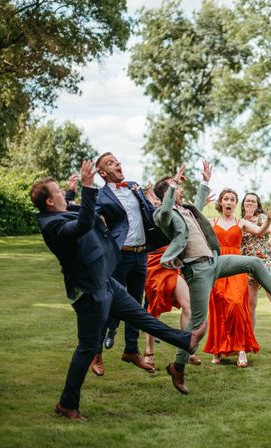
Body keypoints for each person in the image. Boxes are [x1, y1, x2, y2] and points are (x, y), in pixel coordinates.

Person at [31, 161, 206, 420]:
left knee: (140, 315)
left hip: (105, 282)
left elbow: (70, 207)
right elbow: (81, 224)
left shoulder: (60, 210)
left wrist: (70, 191)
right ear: (48, 202)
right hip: (89, 292)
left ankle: (185, 340)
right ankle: (67, 404)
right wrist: (89, 188)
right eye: (57, 191)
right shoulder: (52, 226)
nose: (63, 194)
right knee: (88, 347)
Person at [153, 160, 271, 394]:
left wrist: (205, 179)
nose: (181, 189)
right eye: (176, 188)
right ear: (166, 193)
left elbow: (198, 202)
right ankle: (178, 366)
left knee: (253, 262)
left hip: (215, 261)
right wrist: (172, 183)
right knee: (197, 323)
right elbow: (165, 210)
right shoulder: (162, 214)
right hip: (197, 270)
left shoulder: (186, 210)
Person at [92, 152, 160, 375]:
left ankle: (131, 350)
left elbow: (149, 214)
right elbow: (89, 219)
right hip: (119, 256)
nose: (118, 164)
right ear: (102, 173)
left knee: (135, 305)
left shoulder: (133, 186)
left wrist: (151, 200)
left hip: (141, 255)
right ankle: (96, 352)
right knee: (108, 302)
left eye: (118, 160)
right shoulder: (101, 196)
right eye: (111, 163)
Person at [203, 188, 271, 367]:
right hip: (218, 266)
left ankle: (241, 349)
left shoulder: (241, 222)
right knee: (218, 307)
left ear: (236, 204)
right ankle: (217, 350)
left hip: (237, 267)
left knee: (236, 304)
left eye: (232, 199)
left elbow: (260, 231)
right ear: (220, 203)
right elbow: (192, 224)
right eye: (226, 199)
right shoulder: (210, 222)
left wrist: (268, 219)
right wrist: (201, 205)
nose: (229, 202)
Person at [141, 186, 201, 368]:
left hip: (171, 263)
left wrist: (201, 198)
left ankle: (186, 348)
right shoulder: (150, 214)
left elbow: (187, 215)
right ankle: (149, 350)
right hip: (154, 263)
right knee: (153, 310)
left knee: (188, 304)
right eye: (150, 196)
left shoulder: (171, 210)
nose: (155, 200)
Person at [241, 192, 271, 336]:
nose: (250, 203)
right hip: (248, 262)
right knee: (251, 303)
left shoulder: (262, 217)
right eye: (247, 201)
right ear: (243, 204)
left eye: (253, 201)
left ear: (257, 205)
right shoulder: (239, 221)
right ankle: (250, 337)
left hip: (265, 258)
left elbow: (269, 227)